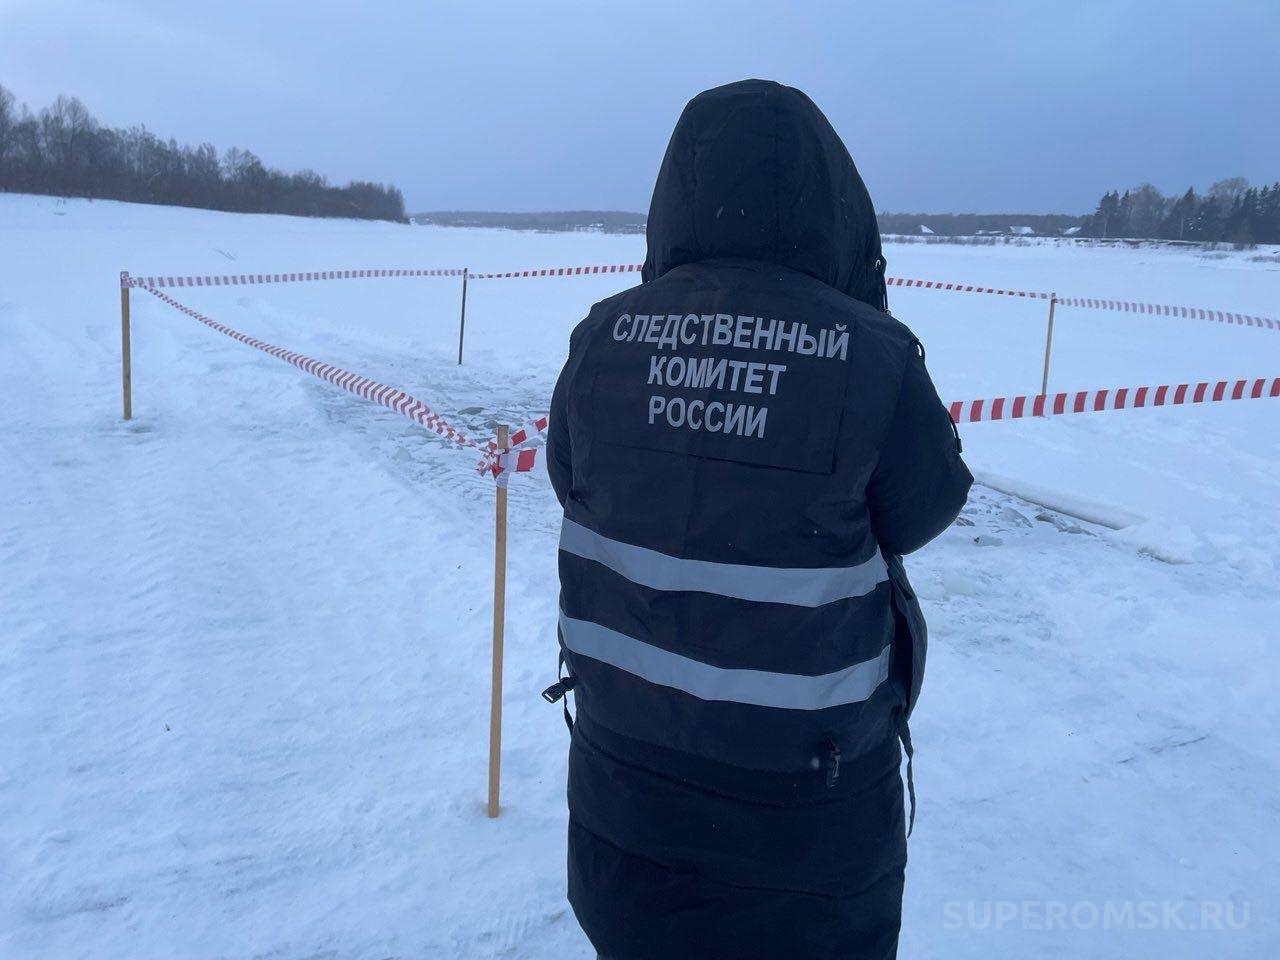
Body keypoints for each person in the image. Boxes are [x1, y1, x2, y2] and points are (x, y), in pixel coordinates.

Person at [543, 79, 972, 960]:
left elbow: (570, 479)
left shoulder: (601, 340)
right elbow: (925, 506)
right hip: (809, 828)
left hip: (623, 801)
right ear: (835, 203)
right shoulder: (872, 354)